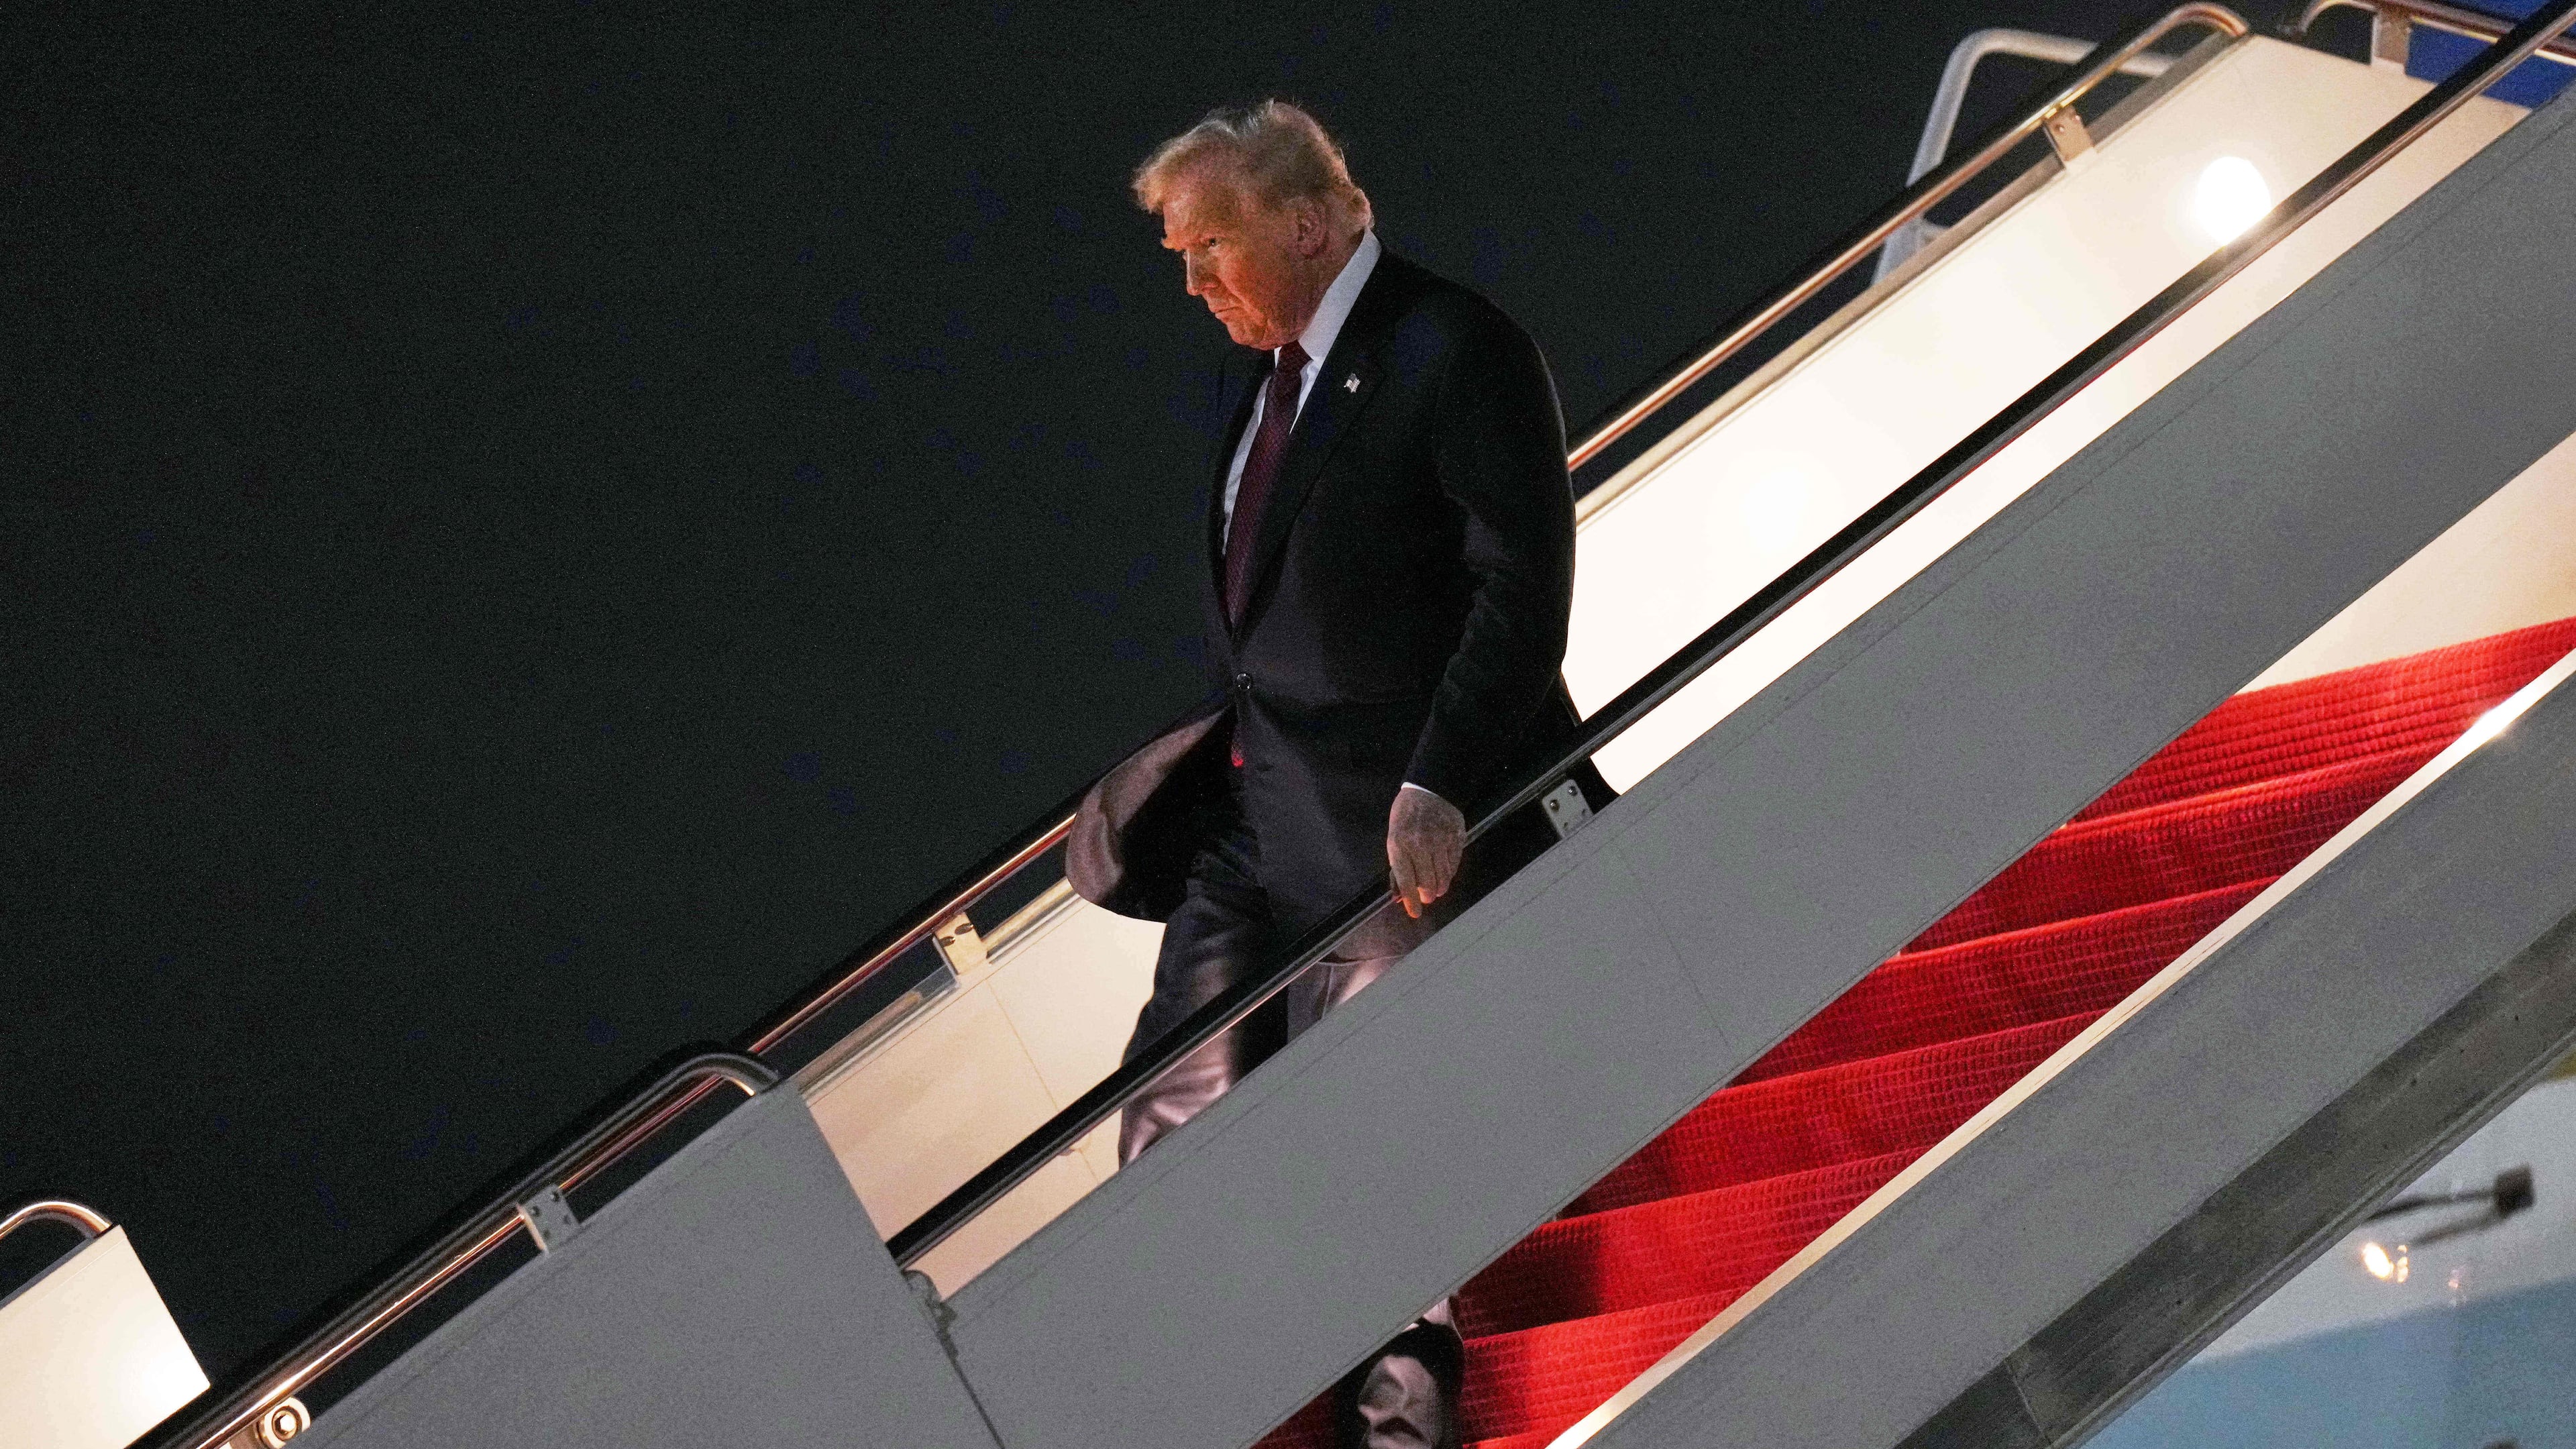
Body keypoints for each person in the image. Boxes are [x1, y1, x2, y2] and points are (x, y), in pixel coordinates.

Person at [1065, 99, 1593, 1449]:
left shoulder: (1451, 346)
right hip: (1259, 819)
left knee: (1381, 1138)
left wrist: (1444, 781)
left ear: (1305, 224)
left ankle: (1402, 1426)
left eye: (1210, 247)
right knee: (1171, 1111)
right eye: (1179, 257)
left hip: (1396, 827)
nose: (1193, 285)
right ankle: (1199, 1407)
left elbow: (1521, 591)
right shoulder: (1258, 375)